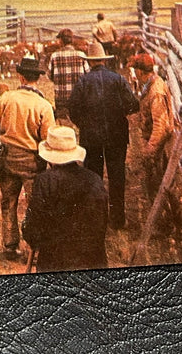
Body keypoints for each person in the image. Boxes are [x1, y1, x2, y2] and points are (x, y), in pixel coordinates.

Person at [0, 57, 56, 258]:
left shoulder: (7, 98)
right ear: (38, 79)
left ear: (20, 76)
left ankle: (9, 245)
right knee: (35, 204)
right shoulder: (44, 106)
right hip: (32, 161)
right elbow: (48, 139)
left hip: (6, 157)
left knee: (8, 201)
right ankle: (35, 247)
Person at [68, 42, 140, 229]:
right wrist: (119, 113)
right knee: (117, 176)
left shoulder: (83, 81)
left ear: (89, 62)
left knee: (93, 177)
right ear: (103, 60)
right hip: (117, 136)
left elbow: (73, 109)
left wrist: (84, 124)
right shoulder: (117, 79)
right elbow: (133, 104)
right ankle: (117, 220)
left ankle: (95, 219)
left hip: (91, 138)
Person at [22, 126, 108, 272]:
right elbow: (102, 221)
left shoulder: (45, 181)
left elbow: (34, 224)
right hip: (93, 259)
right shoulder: (95, 179)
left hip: (55, 262)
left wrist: (30, 236)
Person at [131, 53, 175, 199]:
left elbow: (160, 126)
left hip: (160, 147)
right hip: (156, 145)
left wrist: (149, 151)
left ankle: (165, 217)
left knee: (159, 186)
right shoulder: (149, 85)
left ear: (140, 71)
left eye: (135, 69)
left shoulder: (155, 91)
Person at [47, 28, 89, 119]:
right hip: (79, 98)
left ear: (61, 41)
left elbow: (50, 75)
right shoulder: (81, 55)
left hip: (62, 99)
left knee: (64, 126)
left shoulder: (54, 56)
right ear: (72, 40)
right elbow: (88, 75)